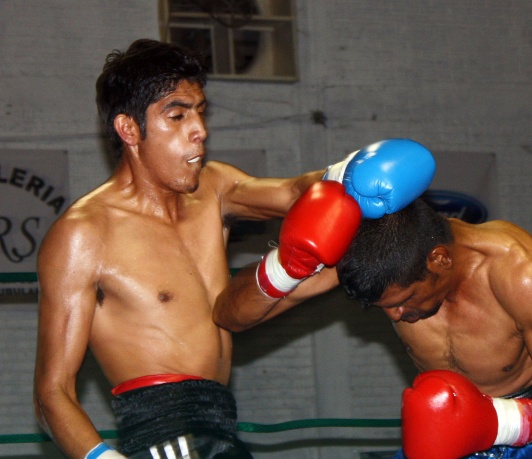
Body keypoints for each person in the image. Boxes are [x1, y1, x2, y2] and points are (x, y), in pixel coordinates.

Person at [33, 38, 437, 459]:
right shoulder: (84, 234)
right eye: (177, 115)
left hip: (222, 424)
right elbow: (52, 391)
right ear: (129, 129)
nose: (200, 130)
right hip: (163, 437)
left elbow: (293, 192)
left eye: (200, 111)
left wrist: (345, 174)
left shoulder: (215, 187)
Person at [337, 198, 532, 459]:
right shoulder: (382, 262)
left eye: (406, 299)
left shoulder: (520, 273)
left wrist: (494, 423)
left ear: (440, 260)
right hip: (453, 432)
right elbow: (310, 278)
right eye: (384, 307)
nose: (395, 315)